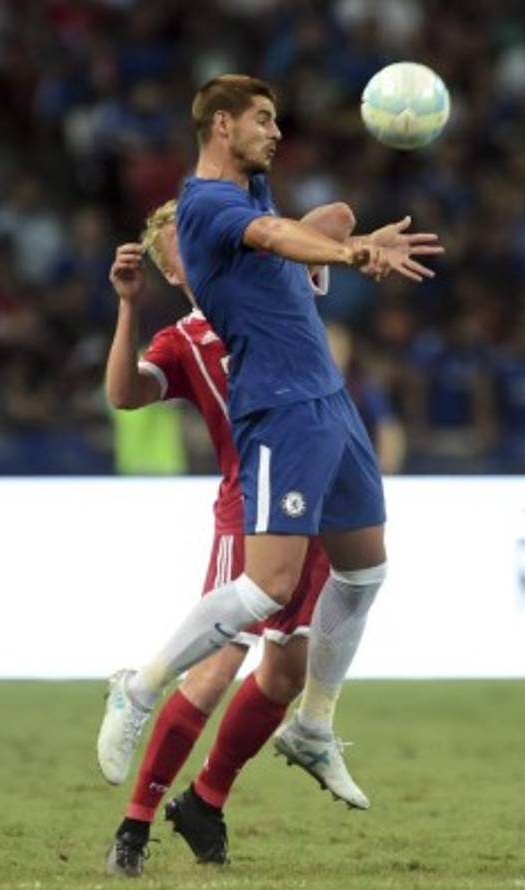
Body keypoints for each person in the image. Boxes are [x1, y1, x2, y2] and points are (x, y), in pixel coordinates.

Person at [97, 74, 443, 829]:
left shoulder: (252, 194)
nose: (276, 132)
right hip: (280, 412)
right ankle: (144, 683)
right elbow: (278, 236)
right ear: (221, 126)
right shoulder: (208, 205)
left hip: (330, 404)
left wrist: (348, 240)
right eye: (263, 119)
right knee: (265, 589)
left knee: (366, 566)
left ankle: (313, 724)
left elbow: (313, 221)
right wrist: (349, 255)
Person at [103, 199, 361, 876]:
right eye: (184, 242)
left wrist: (277, 236)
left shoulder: (272, 283)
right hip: (248, 509)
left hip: (315, 496)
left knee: (286, 670)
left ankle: (205, 802)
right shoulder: (183, 340)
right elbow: (125, 395)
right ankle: (133, 825)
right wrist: (128, 307)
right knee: (216, 669)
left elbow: (337, 214)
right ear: (171, 268)